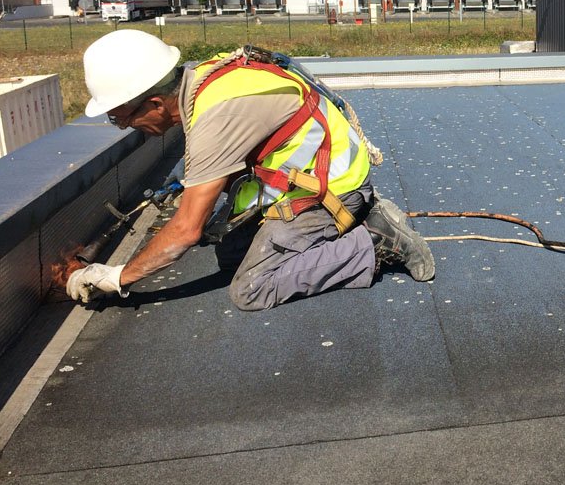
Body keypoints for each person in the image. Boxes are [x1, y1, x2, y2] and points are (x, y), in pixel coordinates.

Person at [66, 30, 434, 311]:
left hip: (329, 189)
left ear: (156, 103)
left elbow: (185, 231)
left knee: (251, 289)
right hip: (310, 177)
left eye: (122, 117)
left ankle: (376, 240)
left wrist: (116, 277)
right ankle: (353, 226)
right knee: (230, 256)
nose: (125, 127)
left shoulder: (217, 114)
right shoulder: (204, 80)